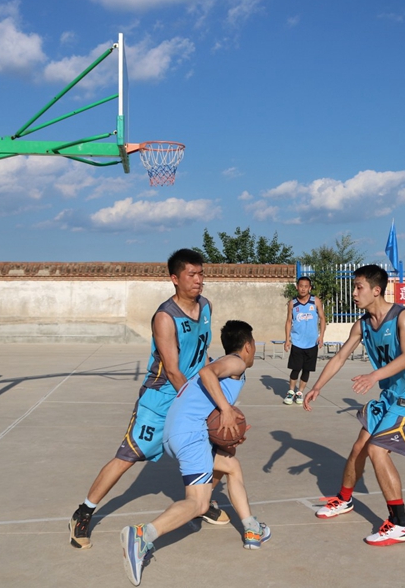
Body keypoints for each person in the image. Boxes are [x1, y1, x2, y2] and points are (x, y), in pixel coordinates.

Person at [69, 249, 223, 550]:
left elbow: (202, 353)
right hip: (161, 399)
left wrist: (210, 392)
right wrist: (198, 405)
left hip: (191, 394)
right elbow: (174, 370)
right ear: (175, 279)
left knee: (217, 445)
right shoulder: (165, 317)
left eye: (201, 273)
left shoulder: (206, 307)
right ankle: (83, 512)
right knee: (127, 457)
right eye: (191, 274)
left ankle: (200, 502)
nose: (198, 280)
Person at [120, 320, 270, 586]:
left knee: (231, 466)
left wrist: (229, 437)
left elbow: (208, 407)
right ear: (248, 346)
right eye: (254, 345)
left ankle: (251, 529)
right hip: (190, 434)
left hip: (177, 431)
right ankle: (143, 535)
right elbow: (206, 372)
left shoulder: (226, 366)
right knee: (198, 503)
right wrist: (227, 410)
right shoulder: (235, 362)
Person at [303, 264, 405, 546]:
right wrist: (317, 387)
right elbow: (340, 357)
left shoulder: (402, 316)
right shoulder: (362, 324)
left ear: (376, 290)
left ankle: (401, 523)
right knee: (359, 447)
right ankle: (344, 499)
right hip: (391, 393)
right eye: (354, 286)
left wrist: (374, 376)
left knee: (377, 450)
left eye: (358, 287)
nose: (354, 292)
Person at [283, 276, 326, 405]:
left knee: (307, 369)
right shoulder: (292, 303)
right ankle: (291, 391)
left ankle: (300, 392)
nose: (303, 289)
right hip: (297, 342)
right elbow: (289, 321)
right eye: (301, 286)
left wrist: (321, 336)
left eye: (306, 286)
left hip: (312, 343)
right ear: (297, 287)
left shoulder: (315, 301)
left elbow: (322, 318)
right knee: (295, 369)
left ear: (310, 288)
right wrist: (287, 339)